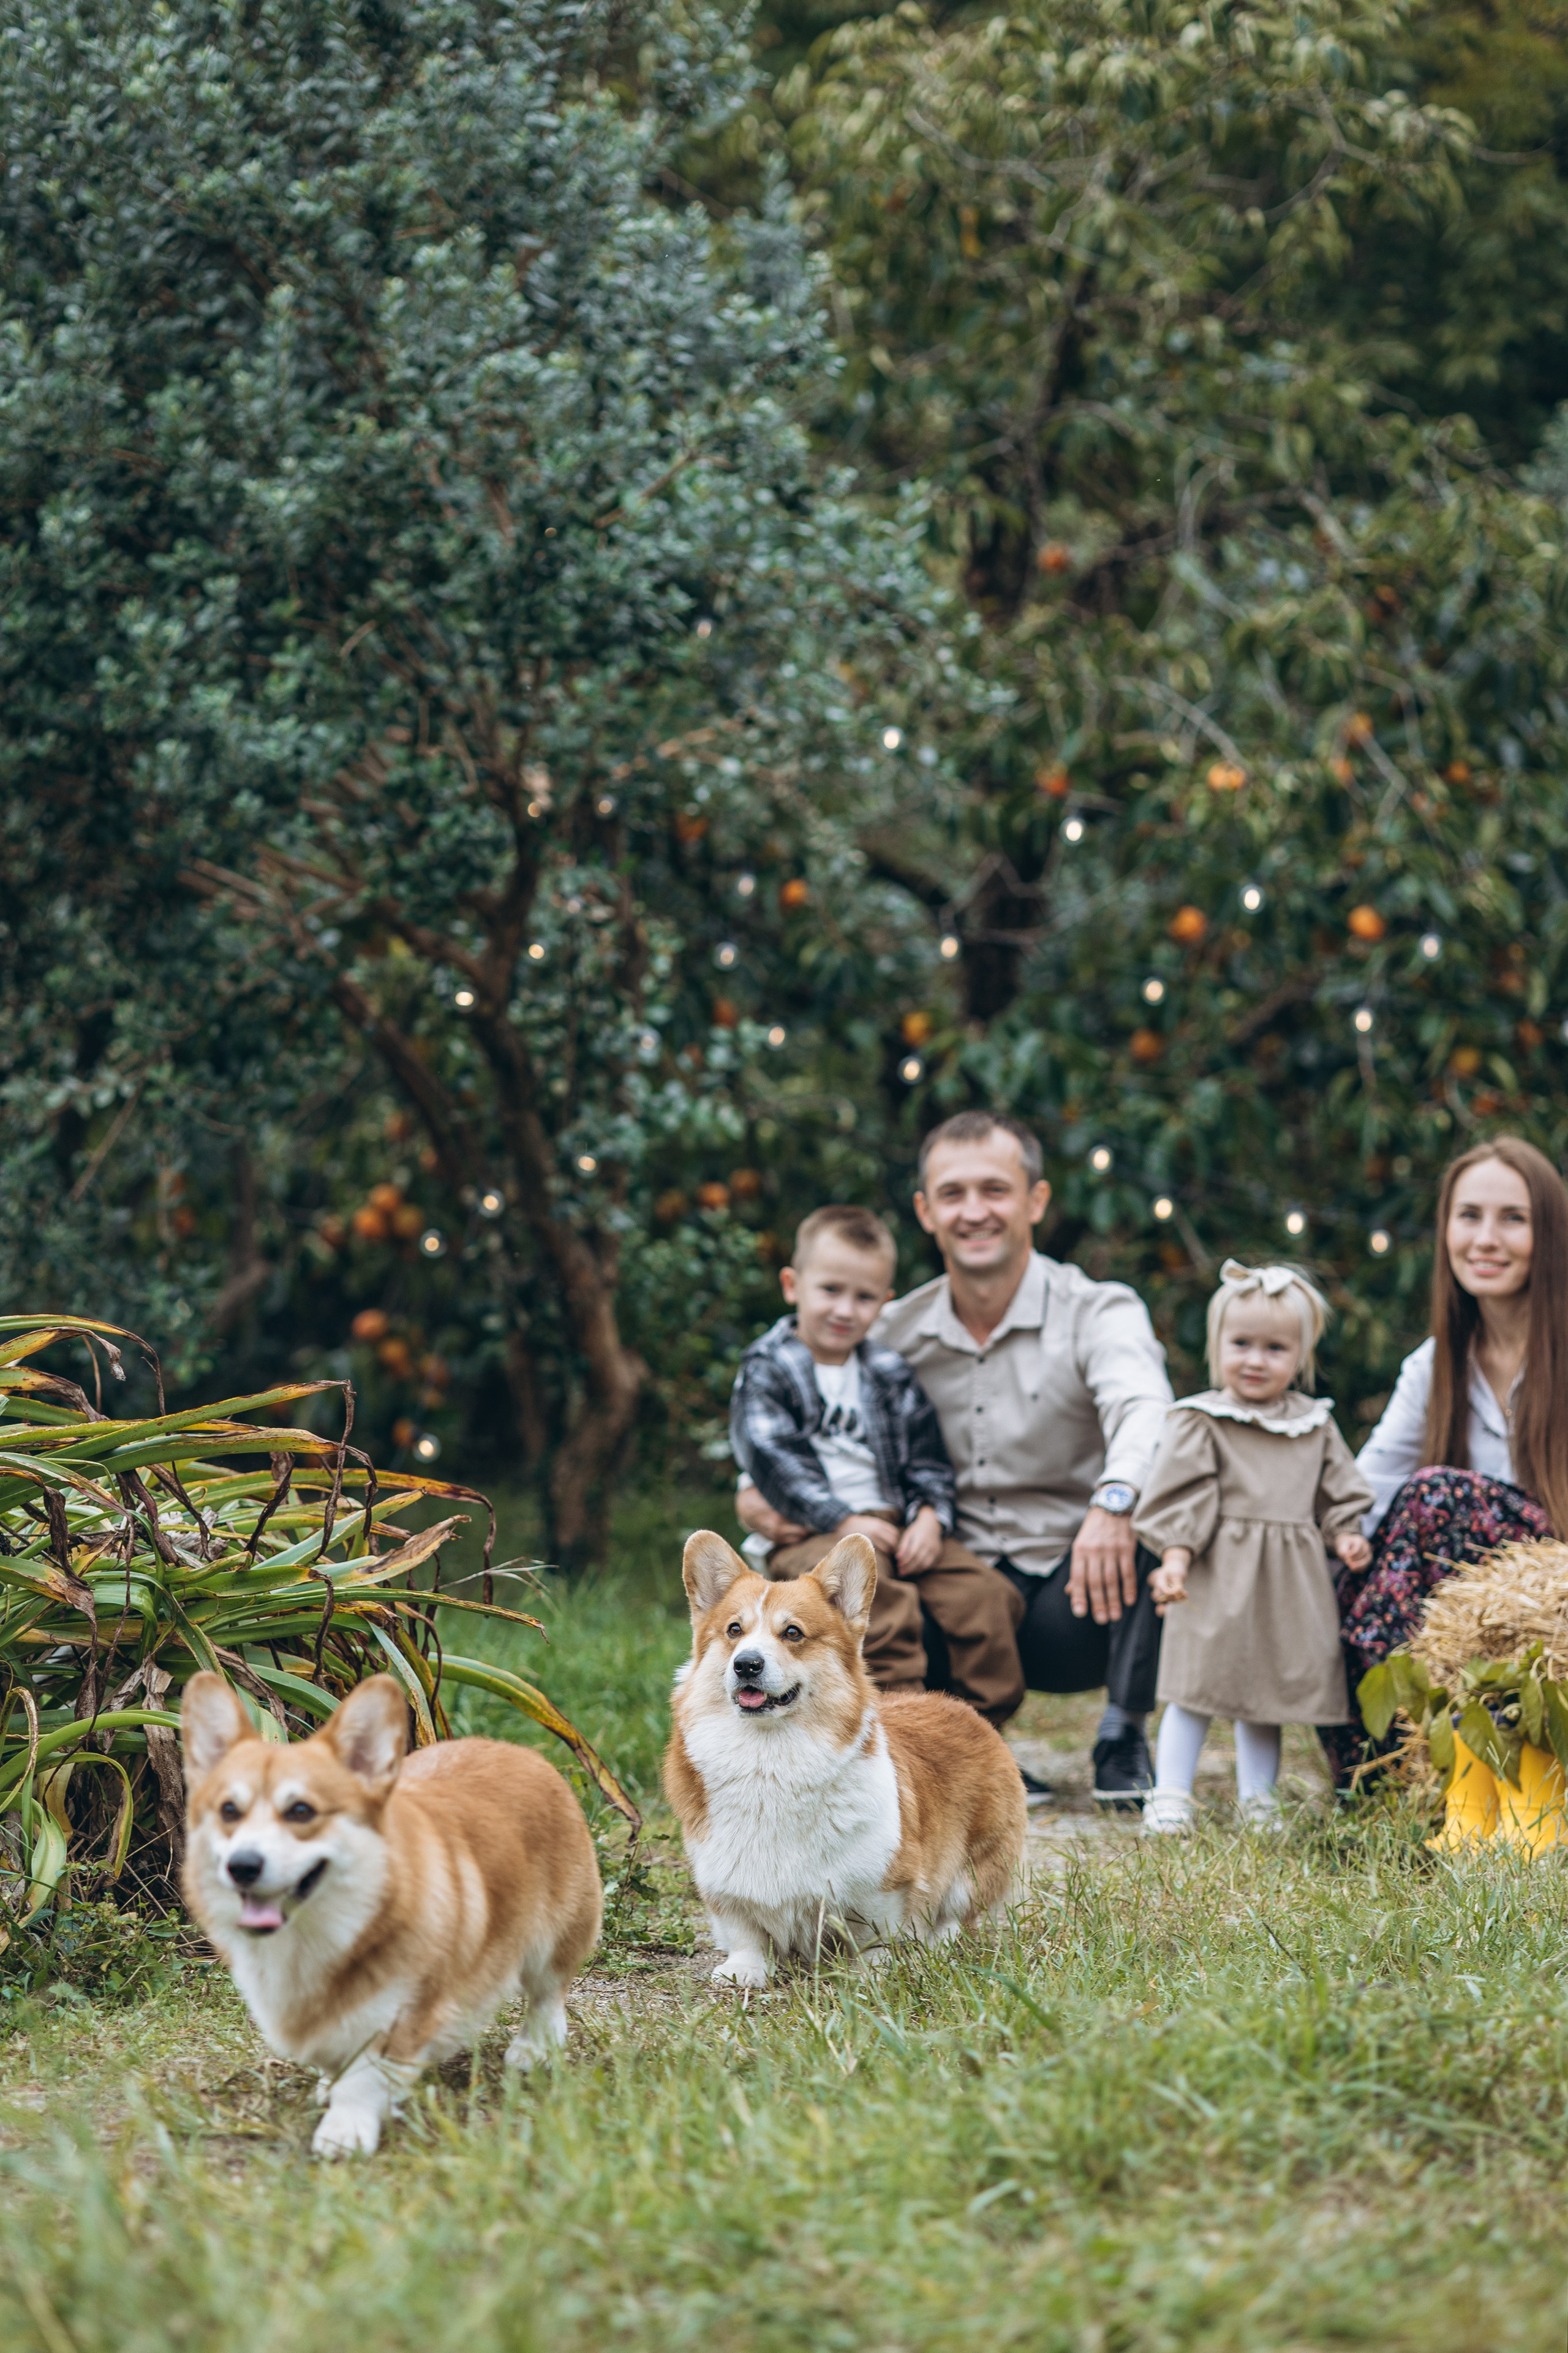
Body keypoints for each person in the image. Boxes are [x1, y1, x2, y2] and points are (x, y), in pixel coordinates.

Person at [737, 1112, 1175, 1803]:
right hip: (941, 1580)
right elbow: (804, 1418)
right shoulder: (891, 1331)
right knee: (882, 1601)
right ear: (925, 1211)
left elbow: (1147, 1410)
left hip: (1075, 1584)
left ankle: (1122, 1732)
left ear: (1035, 1200)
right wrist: (759, 1492)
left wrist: (1113, 1501)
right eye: (953, 1193)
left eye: (995, 1190)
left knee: (1161, 1521)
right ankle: (918, 1748)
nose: (974, 1211)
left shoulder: (1096, 1310)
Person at [1322, 1136, 1568, 1783]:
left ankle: (1380, 1765)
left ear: (1550, 1232)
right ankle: (1385, 1768)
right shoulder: (1437, 1365)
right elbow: (1362, 1495)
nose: (1485, 1238)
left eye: (1512, 1218)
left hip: (1552, 1590)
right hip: (1474, 1605)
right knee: (1341, 1564)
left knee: (1435, 1496)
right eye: (1469, 1216)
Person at [728, 1203, 1026, 1726]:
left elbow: (927, 1457)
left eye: (864, 1297)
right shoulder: (769, 1368)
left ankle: (979, 1735)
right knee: (881, 1606)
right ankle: (898, 1731)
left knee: (986, 1597)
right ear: (792, 1285)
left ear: (884, 1303)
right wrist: (843, 1521)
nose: (845, 1309)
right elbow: (774, 1461)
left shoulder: (889, 1372)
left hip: (895, 1524)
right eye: (830, 1290)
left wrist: (932, 1516)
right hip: (812, 1534)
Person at [1135, 1262, 1374, 1833]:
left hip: (1287, 1585)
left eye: (1275, 1348)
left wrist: (1344, 1531)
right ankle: (1169, 1793)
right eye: (1241, 1343)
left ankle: (1259, 1799)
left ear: (1301, 1355)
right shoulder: (1204, 1420)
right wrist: (1174, 1557)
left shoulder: (1315, 1424)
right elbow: (1182, 1498)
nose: (1255, 1359)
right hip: (1217, 1577)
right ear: (1217, 1344)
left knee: (1266, 1696)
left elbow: (1336, 1488)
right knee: (1195, 1688)